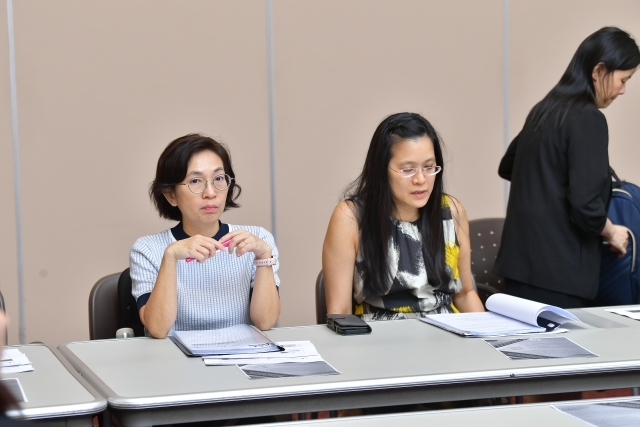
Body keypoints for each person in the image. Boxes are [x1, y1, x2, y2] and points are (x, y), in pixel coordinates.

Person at [494, 27, 640, 308]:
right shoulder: (588, 118)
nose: (622, 90)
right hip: (560, 276)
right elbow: (586, 205)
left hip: (519, 270)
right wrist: (612, 232)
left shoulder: (544, 109)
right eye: (623, 80)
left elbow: (508, 166)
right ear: (598, 70)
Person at [323, 112, 484, 319]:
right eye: (408, 170)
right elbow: (340, 312)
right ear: (381, 169)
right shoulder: (351, 218)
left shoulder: (451, 211)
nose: (421, 179)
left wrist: (489, 335)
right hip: (379, 334)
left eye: (429, 167)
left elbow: (465, 293)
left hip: (447, 332)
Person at [130, 133, 280, 338]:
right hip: (175, 357)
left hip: (240, 354)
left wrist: (263, 257)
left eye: (218, 179)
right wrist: (170, 257)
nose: (210, 192)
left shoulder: (257, 240)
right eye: (195, 181)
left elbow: (265, 322)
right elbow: (157, 328)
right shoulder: (147, 249)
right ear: (171, 195)